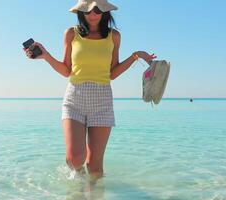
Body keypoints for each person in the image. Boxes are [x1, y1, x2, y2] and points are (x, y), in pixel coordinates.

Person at [23, 0, 156, 181]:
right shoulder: (71, 33)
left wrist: (136, 56)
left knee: (94, 167)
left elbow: (112, 73)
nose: (92, 14)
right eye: (87, 10)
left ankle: (93, 194)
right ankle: (76, 188)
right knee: (74, 159)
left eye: (97, 10)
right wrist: (45, 55)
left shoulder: (114, 36)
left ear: (105, 11)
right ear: (81, 12)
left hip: (102, 99)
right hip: (74, 98)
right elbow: (66, 70)